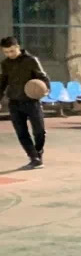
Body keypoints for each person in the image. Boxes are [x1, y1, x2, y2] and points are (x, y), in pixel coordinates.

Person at [0, 35, 49, 169]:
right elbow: (2, 82)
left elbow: (43, 78)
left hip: (32, 102)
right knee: (21, 132)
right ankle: (34, 158)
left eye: (11, 51)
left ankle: (39, 153)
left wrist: (45, 89)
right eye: (6, 52)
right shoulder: (5, 64)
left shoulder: (31, 60)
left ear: (17, 47)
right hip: (14, 102)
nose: (9, 54)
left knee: (39, 131)